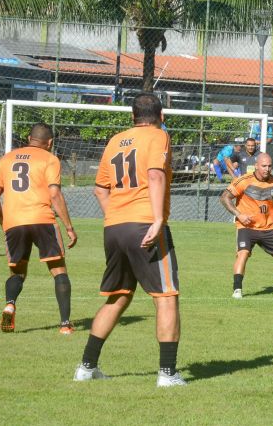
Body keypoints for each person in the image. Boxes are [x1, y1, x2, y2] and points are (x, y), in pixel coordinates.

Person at [73, 93, 186, 387]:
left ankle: (86, 368)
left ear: (132, 116)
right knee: (166, 296)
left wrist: (118, 217)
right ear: (161, 116)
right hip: (145, 224)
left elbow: (100, 189)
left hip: (114, 227)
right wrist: (157, 219)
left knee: (119, 296)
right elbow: (155, 175)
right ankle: (168, 374)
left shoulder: (115, 140)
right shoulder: (159, 136)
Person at [0, 122, 78, 335]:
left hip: (14, 222)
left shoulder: (6, 159)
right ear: (50, 142)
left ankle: (10, 305)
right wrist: (69, 227)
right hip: (42, 219)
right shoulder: (50, 159)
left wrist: (4, 222)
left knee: (17, 271)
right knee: (58, 269)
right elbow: (54, 194)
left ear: (29, 138)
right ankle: (65, 325)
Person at [219, 153, 273, 300]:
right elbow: (225, 197)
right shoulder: (243, 181)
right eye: (264, 166)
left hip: (268, 228)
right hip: (246, 227)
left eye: (269, 166)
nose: (267, 169)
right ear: (256, 166)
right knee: (243, 253)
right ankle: (237, 289)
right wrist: (239, 215)